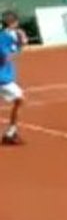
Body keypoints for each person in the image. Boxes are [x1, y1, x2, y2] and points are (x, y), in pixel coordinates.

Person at [0, 10, 27, 146]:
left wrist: (19, 44)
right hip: (2, 79)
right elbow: (5, 59)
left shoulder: (7, 37)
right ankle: (11, 133)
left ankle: (11, 132)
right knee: (20, 99)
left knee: (19, 99)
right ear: (13, 23)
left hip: (4, 78)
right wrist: (21, 46)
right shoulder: (3, 38)